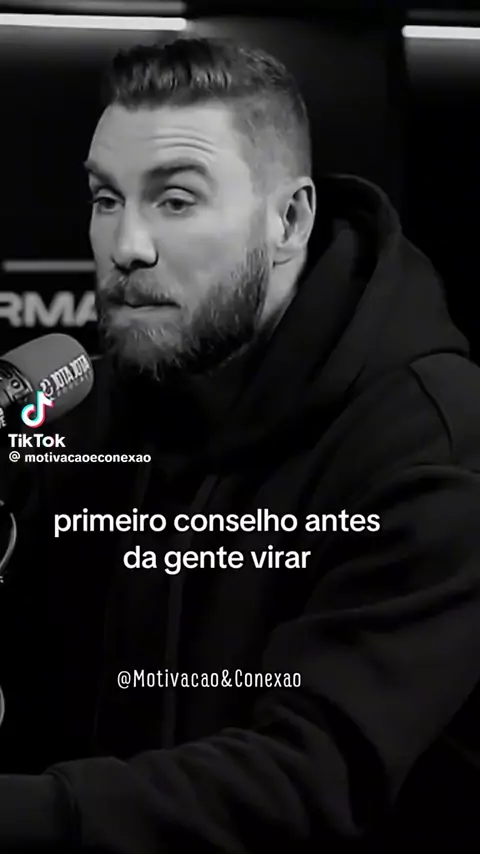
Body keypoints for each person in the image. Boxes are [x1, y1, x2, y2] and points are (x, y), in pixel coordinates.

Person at [0, 34, 479, 852]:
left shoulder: (432, 444)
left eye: (175, 201)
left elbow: (308, 778)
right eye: (106, 199)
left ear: (288, 219)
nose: (127, 247)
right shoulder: (84, 404)